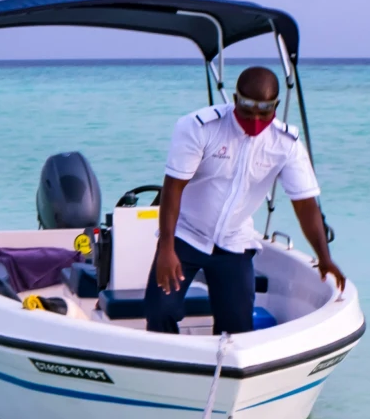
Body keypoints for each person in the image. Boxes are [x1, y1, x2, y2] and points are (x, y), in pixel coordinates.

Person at [144, 67, 345, 335]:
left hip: (234, 242)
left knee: (237, 328)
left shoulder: (286, 144)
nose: (255, 119)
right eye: (247, 111)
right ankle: (167, 366)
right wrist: (166, 247)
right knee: (160, 311)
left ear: (276, 106)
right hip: (185, 234)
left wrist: (324, 256)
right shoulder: (198, 127)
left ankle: (221, 373)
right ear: (236, 99)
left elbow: (305, 204)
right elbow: (173, 188)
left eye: (264, 112)